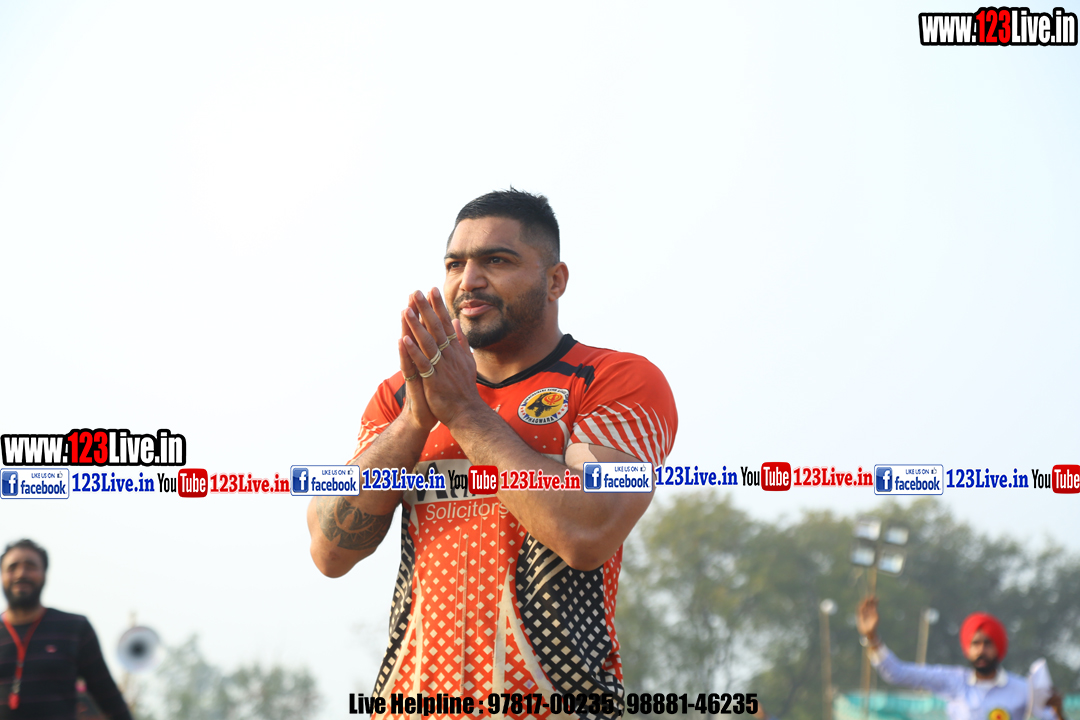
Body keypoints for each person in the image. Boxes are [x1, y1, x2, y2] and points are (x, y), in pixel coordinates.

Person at [307, 190, 678, 718]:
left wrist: (465, 413)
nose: (470, 280)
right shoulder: (400, 398)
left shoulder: (613, 379)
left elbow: (587, 531)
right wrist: (415, 420)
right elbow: (329, 551)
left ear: (555, 280)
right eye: (454, 264)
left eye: (496, 261)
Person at [856, 595, 1068, 720]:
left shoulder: (1022, 689)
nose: (981, 650)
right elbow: (897, 673)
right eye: (976, 643)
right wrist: (872, 638)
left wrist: (1058, 712)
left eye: (988, 643)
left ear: (999, 648)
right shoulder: (954, 680)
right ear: (967, 649)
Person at [0, 539, 133, 720]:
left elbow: (109, 698)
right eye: (12, 567)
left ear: (44, 574)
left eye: (30, 566)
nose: (21, 574)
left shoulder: (75, 628)